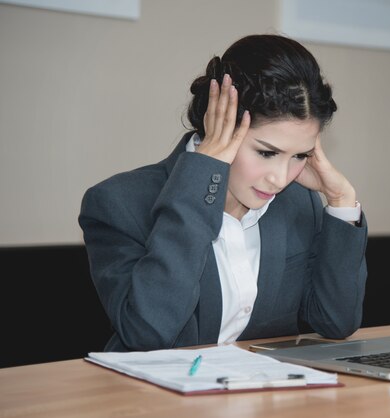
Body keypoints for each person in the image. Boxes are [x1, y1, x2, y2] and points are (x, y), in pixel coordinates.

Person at [78, 33, 368, 352]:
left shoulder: (300, 204)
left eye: (300, 156)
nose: (281, 178)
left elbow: (336, 323)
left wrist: (341, 203)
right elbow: (148, 333)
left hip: (265, 397)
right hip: (153, 400)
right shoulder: (119, 204)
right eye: (267, 153)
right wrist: (200, 178)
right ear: (220, 127)